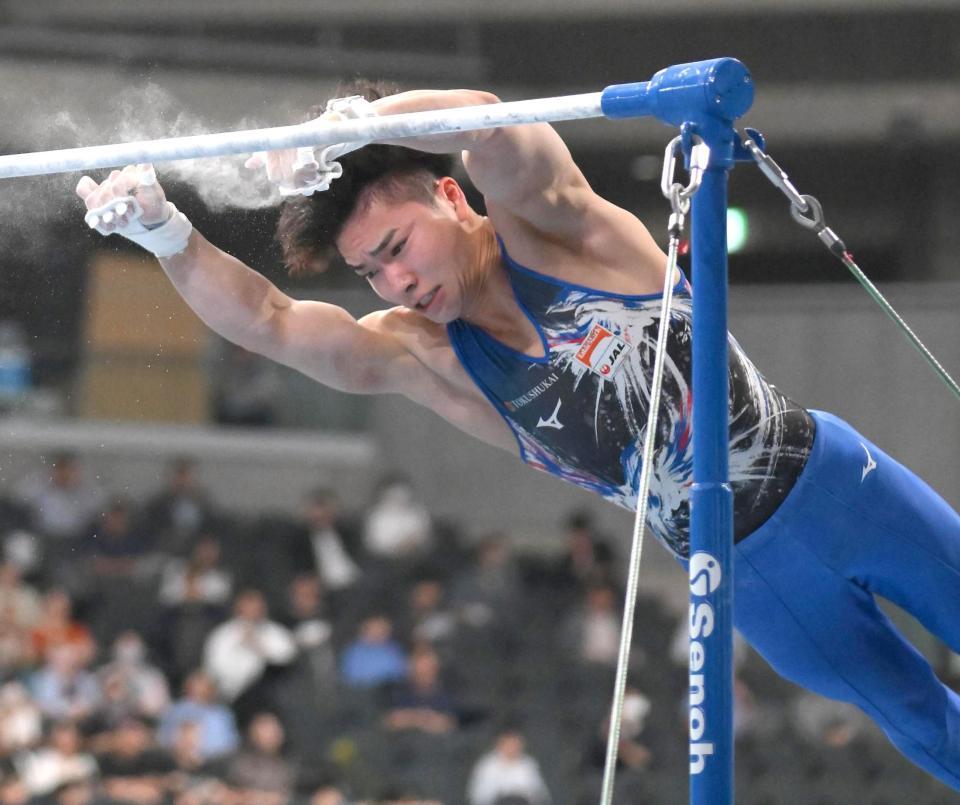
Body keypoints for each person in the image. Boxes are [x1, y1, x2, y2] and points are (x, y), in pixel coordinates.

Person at [75, 81, 960, 789]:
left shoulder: (558, 226)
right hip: (749, 577)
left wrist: (353, 127)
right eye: (368, 270)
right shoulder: (424, 356)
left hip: (837, 480)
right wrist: (168, 236)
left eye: (395, 244)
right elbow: (269, 319)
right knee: (922, 721)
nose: (393, 281)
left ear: (453, 196)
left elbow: (495, 124)